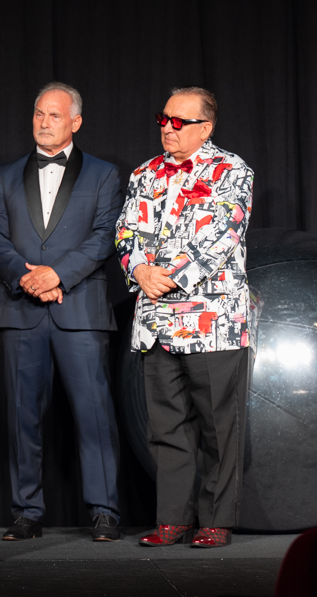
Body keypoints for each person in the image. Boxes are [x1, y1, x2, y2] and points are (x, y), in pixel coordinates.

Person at [0, 82, 123, 542]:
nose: (43, 122)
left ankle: (104, 511)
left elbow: (104, 237)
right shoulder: (4, 174)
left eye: (54, 116)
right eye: (39, 114)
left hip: (79, 309)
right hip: (21, 309)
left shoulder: (103, 174)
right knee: (23, 416)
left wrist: (56, 275)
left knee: (94, 413)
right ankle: (26, 511)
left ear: (75, 122)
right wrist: (27, 276)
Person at [116, 87, 253, 548]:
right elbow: (125, 231)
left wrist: (168, 277)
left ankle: (217, 520)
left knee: (218, 426)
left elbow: (223, 236)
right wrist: (138, 269)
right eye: (164, 119)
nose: (168, 128)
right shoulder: (144, 173)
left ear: (205, 128)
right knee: (166, 427)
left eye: (180, 121)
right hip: (155, 321)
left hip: (211, 318)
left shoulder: (232, 171)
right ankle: (172, 518)